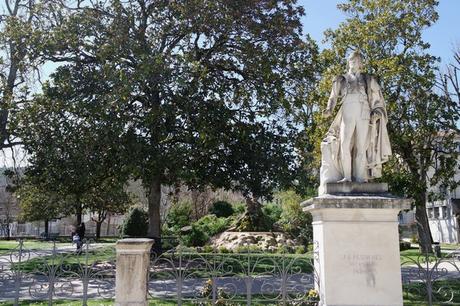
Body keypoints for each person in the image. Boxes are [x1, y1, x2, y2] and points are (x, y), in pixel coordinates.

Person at [319, 50, 391, 194]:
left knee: (361, 146)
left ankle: (359, 178)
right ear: (348, 62)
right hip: (347, 112)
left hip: (364, 112)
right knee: (345, 145)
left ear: (361, 64)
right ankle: (346, 176)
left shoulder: (368, 79)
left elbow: (377, 98)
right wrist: (329, 109)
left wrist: (377, 111)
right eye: (352, 60)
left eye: (358, 61)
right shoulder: (341, 79)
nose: (355, 63)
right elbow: (332, 98)